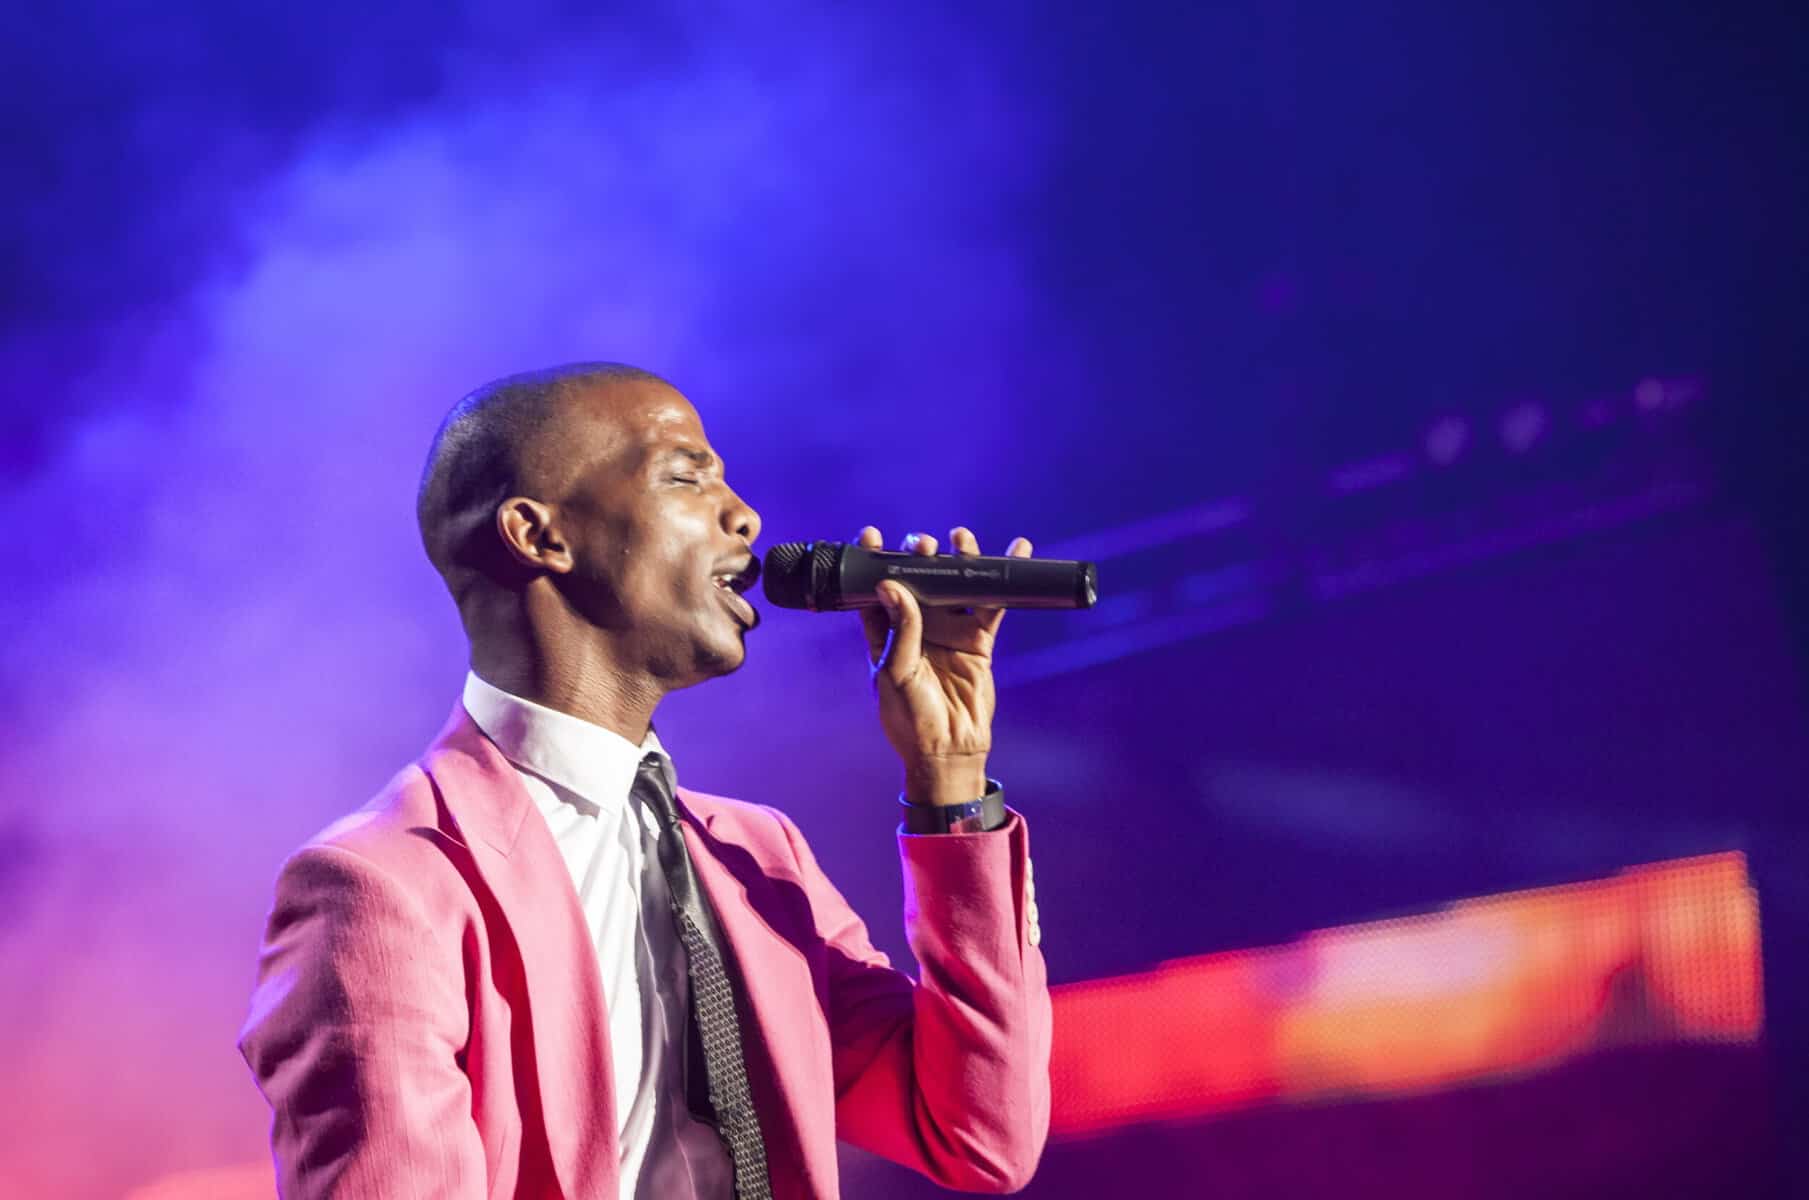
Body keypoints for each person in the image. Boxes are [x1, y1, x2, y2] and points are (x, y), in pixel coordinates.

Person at [238, 363, 1052, 1199]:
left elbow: (978, 1134)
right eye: (684, 476)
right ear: (539, 534)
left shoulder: (756, 857)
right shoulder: (386, 887)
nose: (745, 516)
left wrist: (950, 779)